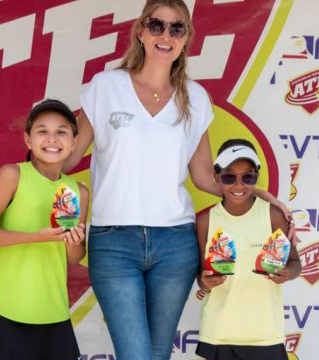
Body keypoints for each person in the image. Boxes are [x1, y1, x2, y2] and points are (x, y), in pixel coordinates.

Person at [66, 1, 289, 358]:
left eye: (176, 28)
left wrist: (255, 190)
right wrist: (18, 177)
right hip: (114, 241)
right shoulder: (106, 87)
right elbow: (70, 156)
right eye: (156, 26)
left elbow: (203, 177)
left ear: (186, 39)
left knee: (156, 354)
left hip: (175, 243)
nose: (165, 35)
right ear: (140, 31)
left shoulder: (196, 98)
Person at [0, 99, 89, 360]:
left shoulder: (78, 192)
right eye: (42, 131)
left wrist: (72, 239)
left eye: (61, 132)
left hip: (56, 313)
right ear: (28, 140)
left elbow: (74, 257)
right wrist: (36, 237)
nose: (52, 139)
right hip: (11, 312)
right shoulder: (12, 175)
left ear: (73, 142)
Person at [195, 139, 301, 360]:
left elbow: (295, 262)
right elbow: (200, 274)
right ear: (216, 178)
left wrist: (287, 274)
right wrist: (204, 281)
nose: (239, 185)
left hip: (265, 334)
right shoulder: (206, 221)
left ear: (256, 177)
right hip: (218, 334)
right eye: (229, 177)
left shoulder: (273, 215)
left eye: (248, 177)